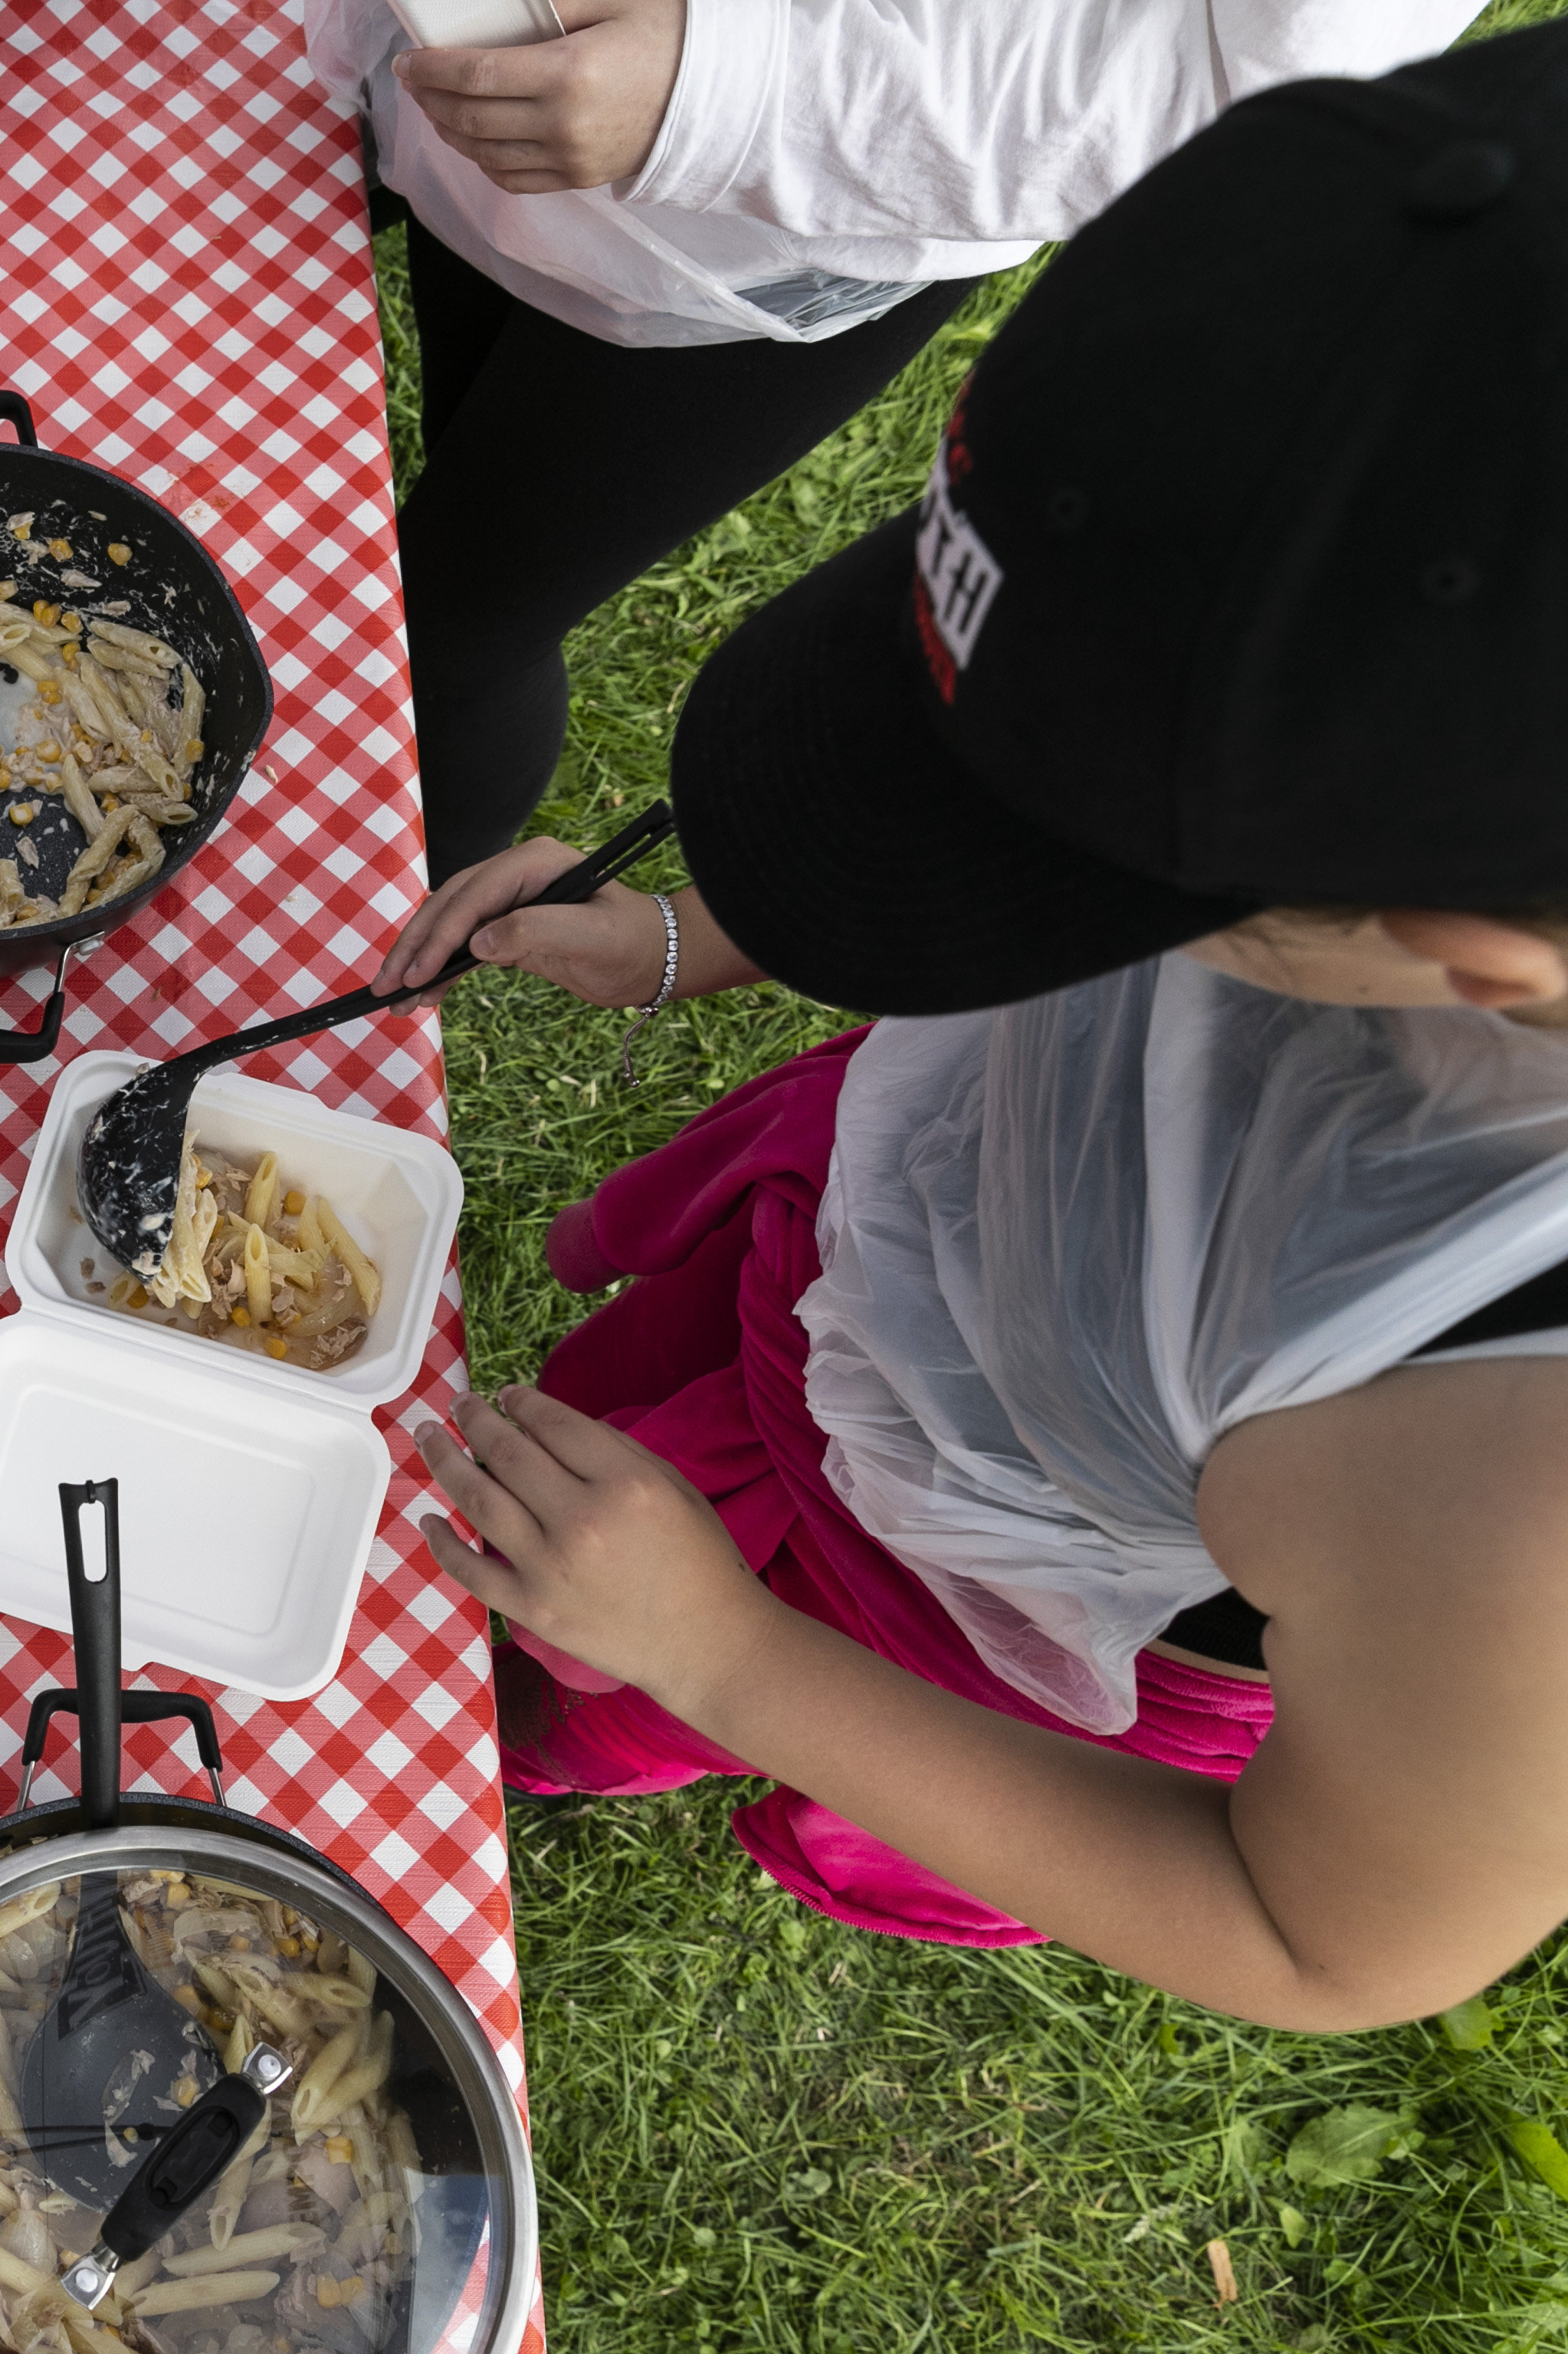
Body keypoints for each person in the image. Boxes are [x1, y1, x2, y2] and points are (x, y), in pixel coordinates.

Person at [379, 28, 1568, 2031]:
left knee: (578, 1664)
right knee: (622, 1441)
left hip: (969, 1576)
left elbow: (1323, 1937)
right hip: (932, 1227)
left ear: (1468, 956)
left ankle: (562, 1724)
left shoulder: (1515, 1496)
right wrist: (712, 931)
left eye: (1039, 850)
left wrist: (721, 1655)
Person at [310, 0, 1483, 869]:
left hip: (758, 216)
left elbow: (1228, 96)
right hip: (495, 54)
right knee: (434, 458)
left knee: (448, 625)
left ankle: (346, 959)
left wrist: (722, 94)